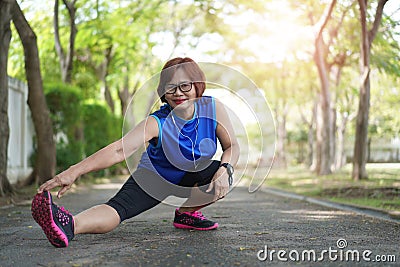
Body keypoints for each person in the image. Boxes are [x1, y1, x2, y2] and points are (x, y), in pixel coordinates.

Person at [31, 57, 240, 248]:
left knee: (221, 176)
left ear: (197, 87)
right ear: (164, 92)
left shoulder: (212, 108)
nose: (178, 93)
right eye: (171, 87)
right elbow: (118, 150)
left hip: (193, 173)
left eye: (185, 85)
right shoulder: (156, 122)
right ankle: (69, 224)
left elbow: (231, 146)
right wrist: (73, 171)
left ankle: (186, 214)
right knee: (117, 209)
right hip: (154, 178)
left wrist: (225, 169)